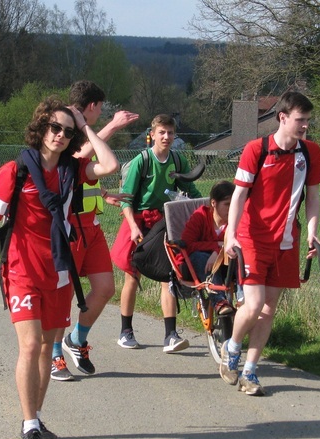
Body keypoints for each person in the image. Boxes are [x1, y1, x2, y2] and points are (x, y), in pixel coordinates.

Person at [0, 97, 118, 439]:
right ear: (41, 127)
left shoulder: (73, 170)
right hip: (22, 270)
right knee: (29, 346)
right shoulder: (15, 171)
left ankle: (36, 419)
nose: (59, 135)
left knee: (45, 348)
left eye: (66, 131)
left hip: (59, 271)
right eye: (54, 127)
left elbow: (110, 163)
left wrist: (85, 126)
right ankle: (28, 428)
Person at [220, 91, 320, 396]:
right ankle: (232, 348)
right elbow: (238, 195)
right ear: (283, 117)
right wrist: (232, 234)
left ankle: (250, 372)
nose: (305, 125)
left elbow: (314, 197)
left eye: (307, 120)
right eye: (300, 119)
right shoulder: (257, 149)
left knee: (268, 309)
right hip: (253, 238)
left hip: (287, 241)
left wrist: (312, 232)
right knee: (252, 306)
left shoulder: (310, 153)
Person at [50, 80, 139, 381]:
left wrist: (102, 195)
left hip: (93, 225)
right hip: (70, 229)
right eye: (101, 109)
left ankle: (76, 339)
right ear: (92, 106)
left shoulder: (81, 132)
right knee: (62, 297)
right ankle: (53, 355)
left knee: (105, 289)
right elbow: (78, 159)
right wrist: (112, 126)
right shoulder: (65, 130)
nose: (102, 114)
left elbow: (84, 175)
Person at [111, 114, 201, 352]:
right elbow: (126, 199)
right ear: (152, 134)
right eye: (162, 132)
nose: (167, 137)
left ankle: (170, 335)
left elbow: (190, 189)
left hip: (165, 221)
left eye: (171, 133)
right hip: (139, 221)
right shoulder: (142, 161)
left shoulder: (178, 160)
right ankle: (125, 331)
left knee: (168, 275)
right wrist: (132, 227)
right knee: (133, 275)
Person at [180, 180, 236, 314]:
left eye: (234, 204)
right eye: (227, 204)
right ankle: (219, 302)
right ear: (213, 203)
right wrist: (217, 245)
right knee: (201, 257)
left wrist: (218, 251)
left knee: (240, 257)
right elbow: (187, 245)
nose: (231, 209)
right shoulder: (201, 217)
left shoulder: (235, 221)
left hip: (225, 264)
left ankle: (243, 298)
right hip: (197, 265)